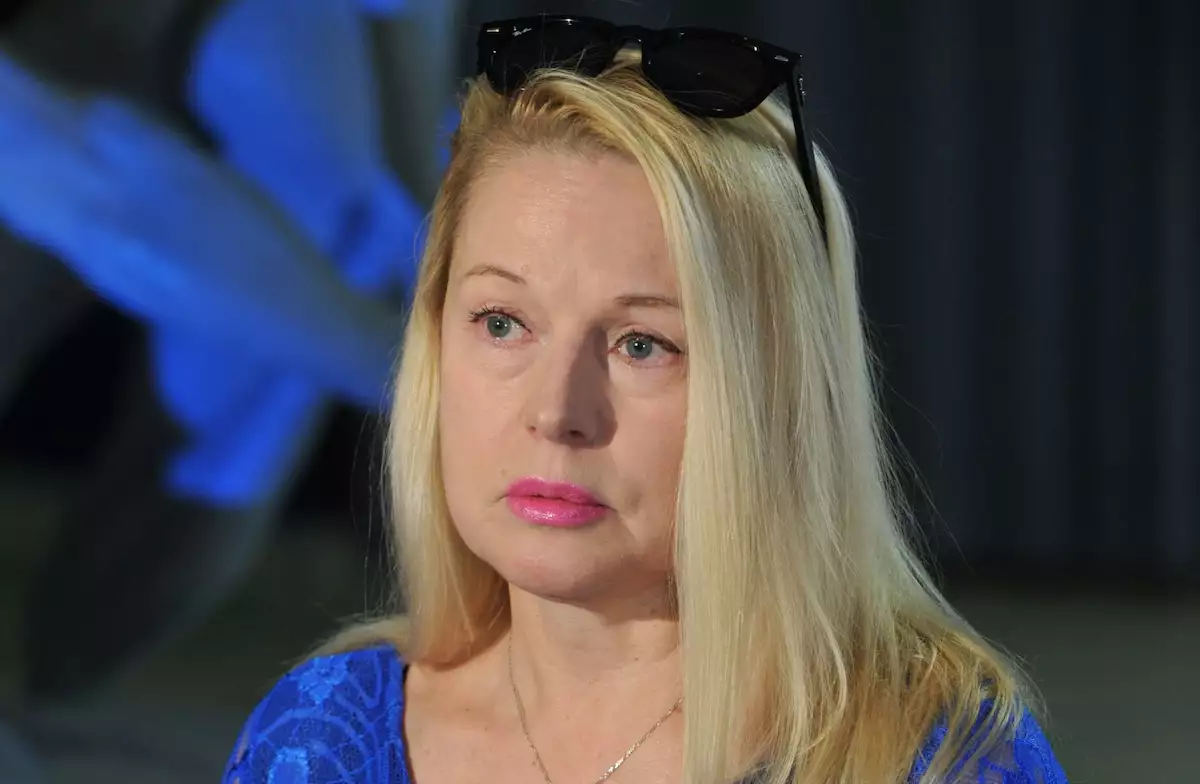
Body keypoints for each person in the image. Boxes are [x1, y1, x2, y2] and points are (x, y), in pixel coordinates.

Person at [222, 15, 1068, 784]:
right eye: (504, 323)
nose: (557, 412)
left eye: (641, 344)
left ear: (773, 389)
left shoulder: (939, 761)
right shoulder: (315, 739)